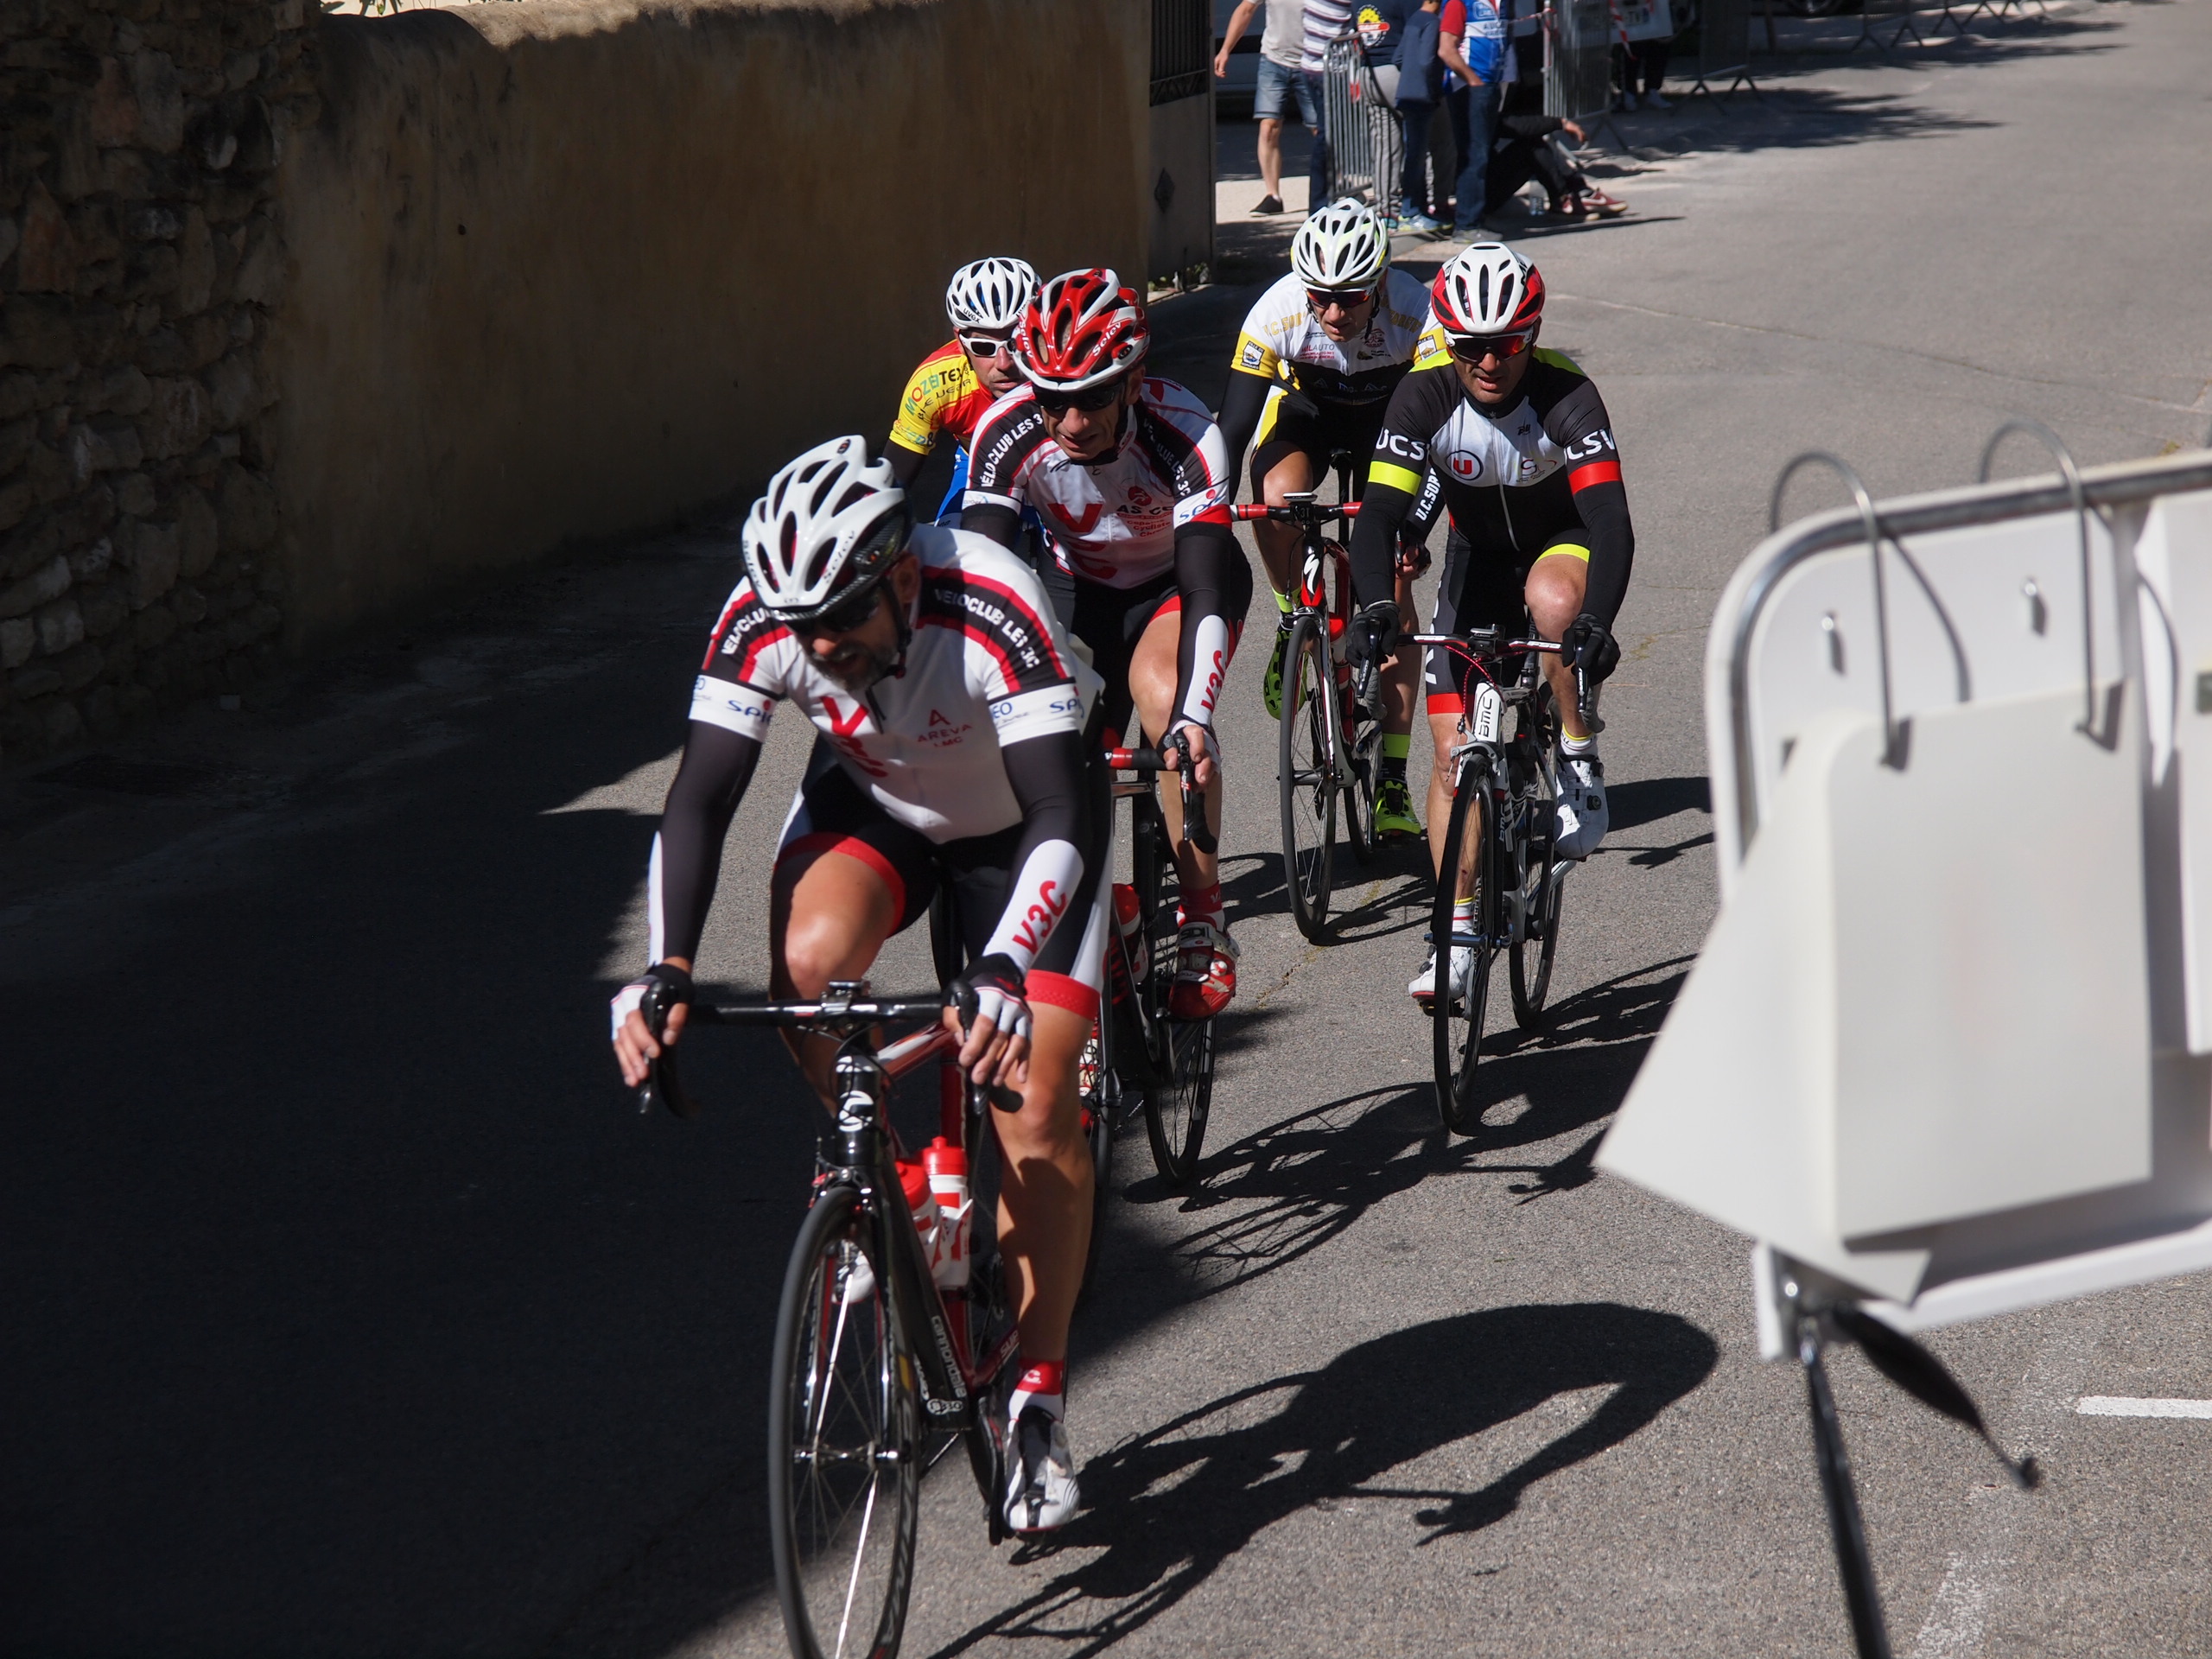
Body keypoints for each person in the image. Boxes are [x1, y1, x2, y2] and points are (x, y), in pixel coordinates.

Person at [608, 436, 1105, 1535]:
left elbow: (1059, 810)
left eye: (839, 619)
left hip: (1026, 829)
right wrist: (665, 969)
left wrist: (1006, 961)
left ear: (903, 575)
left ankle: (1036, 1403)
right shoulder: (771, 617)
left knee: (1035, 1102)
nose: (817, 646)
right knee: (807, 968)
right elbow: (700, 797)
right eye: (800, 627)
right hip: (880, 804)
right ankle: (885, 1180)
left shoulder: (992, 601)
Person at [1342, 244, 1635, 1005]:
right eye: (1471, 346)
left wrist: (1597, 622)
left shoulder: (1568, 395)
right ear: (1449, 340)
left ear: (1531, 334)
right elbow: (1378, 514)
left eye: (1507, 343)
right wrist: (1376, 605)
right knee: (1451, 762)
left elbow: (1610, 519)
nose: (1490, 362)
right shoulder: (1423, 397)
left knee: (1554, 600)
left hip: (1559, 545)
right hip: (1476, 564)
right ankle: (1456, 935)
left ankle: (1577, 752)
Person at [963, 270, 1248, 1021]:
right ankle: (1099, 910)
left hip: (1178, 584)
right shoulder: (1008, 431)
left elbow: (1206, 587)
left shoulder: (1185, 430)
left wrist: (1193, 717)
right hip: (1077, 590)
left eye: (1092, 397)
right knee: (1052, 741)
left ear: (1133, 383)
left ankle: (1202, 914)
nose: (1071, 421)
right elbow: (984, 576)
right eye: (1051, 398)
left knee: (1163, 698)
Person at [1216, 199, 1432, 839]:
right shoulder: (1277, 311)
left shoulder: (1416, 312)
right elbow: (1233, 428)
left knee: (1394, 587)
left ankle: (1392, 778)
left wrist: (1413, 528)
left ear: (1381, 283)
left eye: (1351, 298)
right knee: (1274, 495)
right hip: (1306, 417)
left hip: (1389, 429)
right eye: (1321, 299)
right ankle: (1294, 615)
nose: (1334, 314)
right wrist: (1208, 512)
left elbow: (1443, 430)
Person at [1217, 0, 1318, 216]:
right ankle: (1273, 196)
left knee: (1320, 130)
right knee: (1268, 127)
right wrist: (1225, 50)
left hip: (1311, 62)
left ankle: (1341, 185)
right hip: (1273, 61)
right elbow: (1246, 9)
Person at [1438, 0, 1505, 237]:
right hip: (1468, 88)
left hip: (1489, 84)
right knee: (1473, 155)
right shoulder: (1459, 2)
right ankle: (1467, 225)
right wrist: (1474, 81)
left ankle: (1475, 217)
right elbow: (1446, 49)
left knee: (1482, 154)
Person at [1394, 0, 1447, 232]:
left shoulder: (1414, 19)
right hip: (1422, 96)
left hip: (1406, 94)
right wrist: (1435, 88)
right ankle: (1410, 211)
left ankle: (1418, 207)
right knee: (1417, 156)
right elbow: (1427, 60)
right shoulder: (1432, 22)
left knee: (1413, 153)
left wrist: (1409, 75)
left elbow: (1398, 58)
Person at [1300, 0, 1357, 213]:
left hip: (1311, 65)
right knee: (1328, 138)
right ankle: (1320, 204)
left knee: (1328, 137)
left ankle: (1326, 198)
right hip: (1330, 70)